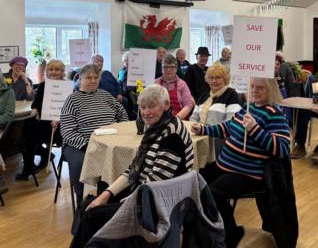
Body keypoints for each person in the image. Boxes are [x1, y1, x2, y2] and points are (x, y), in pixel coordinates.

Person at [70, 84, 194, 248]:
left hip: (161, 199)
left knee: (93, 215)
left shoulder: (172, 135)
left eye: (152, 106)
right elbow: (134, 168)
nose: (146, 112)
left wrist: (124, 204)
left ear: (166, 105)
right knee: (92, 201)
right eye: (143, 107)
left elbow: (155, 183)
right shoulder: (155, 127)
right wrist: (107, 194)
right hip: (146, 190)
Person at [191, 77, 290, 248]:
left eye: (260, 87)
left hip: (248, 173)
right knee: (194, 181)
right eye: (252, 86)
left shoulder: (274, 114)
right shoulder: (247, 108)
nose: (255, 91)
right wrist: (203, 128)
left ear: (271, 90)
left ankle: (232, 234)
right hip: (225, 165)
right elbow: (228, 127)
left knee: (214, 194)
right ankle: (208, 229)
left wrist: (255, 129)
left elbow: (281, 149)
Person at [61, 64, 128, 205]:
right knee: (81, 162)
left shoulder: (105, 95)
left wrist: (121, 131)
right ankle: (83, 200)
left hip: (110, 141)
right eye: (88, 77)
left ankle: (114, 194)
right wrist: (88, 145)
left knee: (124, 155)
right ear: (80, 78)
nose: (92, 80)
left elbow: (122, 114)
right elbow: (67, 132)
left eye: (95, 77)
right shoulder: (72, 100)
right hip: (81, 144)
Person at [16, 60, 66, 181]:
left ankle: (30, 167)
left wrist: (58, 120)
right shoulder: (43, 85)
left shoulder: (66, 87)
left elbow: (69, 110)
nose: (53, 72)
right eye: (51, 69)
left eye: (57, 70)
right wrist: (35, 110)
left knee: (28, 139)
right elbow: (35, 104)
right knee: (22, 136)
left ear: (62, 72)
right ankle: (41, 157)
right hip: (43, 121)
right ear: (47, 72)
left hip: (58, 126)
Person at [190, 64, 241, 158]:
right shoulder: (203, 97)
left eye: (218, 77)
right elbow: (193, 118)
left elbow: (231, 122)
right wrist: (194, 127)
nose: (214, 81)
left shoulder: (231, 95)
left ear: (225, 79)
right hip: (199, 139)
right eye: (211, 78)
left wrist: (207, 131)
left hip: (219, 141)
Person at [154, 54, 194, 120]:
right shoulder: (155, 83)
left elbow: (188, 105)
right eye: (165, 67)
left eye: (172, 67)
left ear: (176, 69)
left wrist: (176, 119)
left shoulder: (182, 84)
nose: (168, 69)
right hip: (159, 120)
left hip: (179, 120)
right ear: (161, 68)